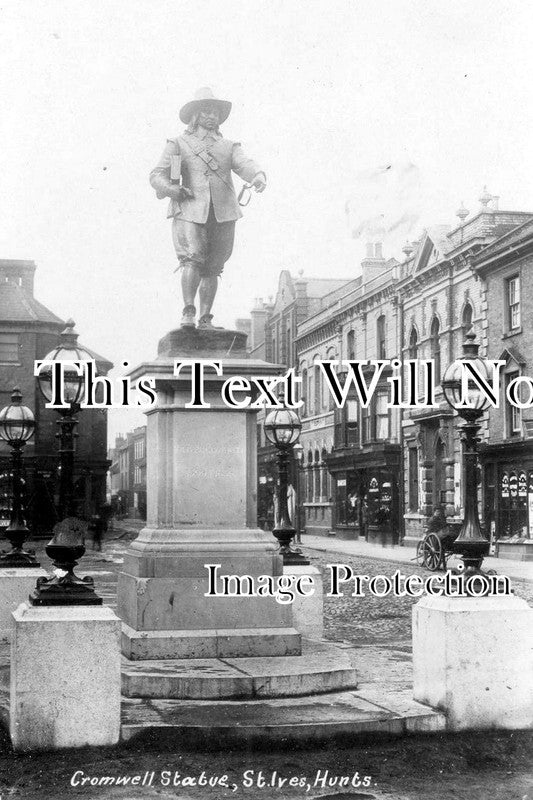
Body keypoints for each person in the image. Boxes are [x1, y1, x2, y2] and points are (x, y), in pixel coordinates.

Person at [150, 87, 266, 328]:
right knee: (192, 258)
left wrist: (258, 175)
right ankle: (188, 312)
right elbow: (157, 175)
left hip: (223, 212)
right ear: (196, 115)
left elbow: (244, 163)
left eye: (215, 112)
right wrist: (173, 190)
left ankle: (205, 318)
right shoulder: (179, 143)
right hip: (190, 209)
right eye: (206, 112)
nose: (212, 116)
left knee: (214, 265)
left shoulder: (229, 145)